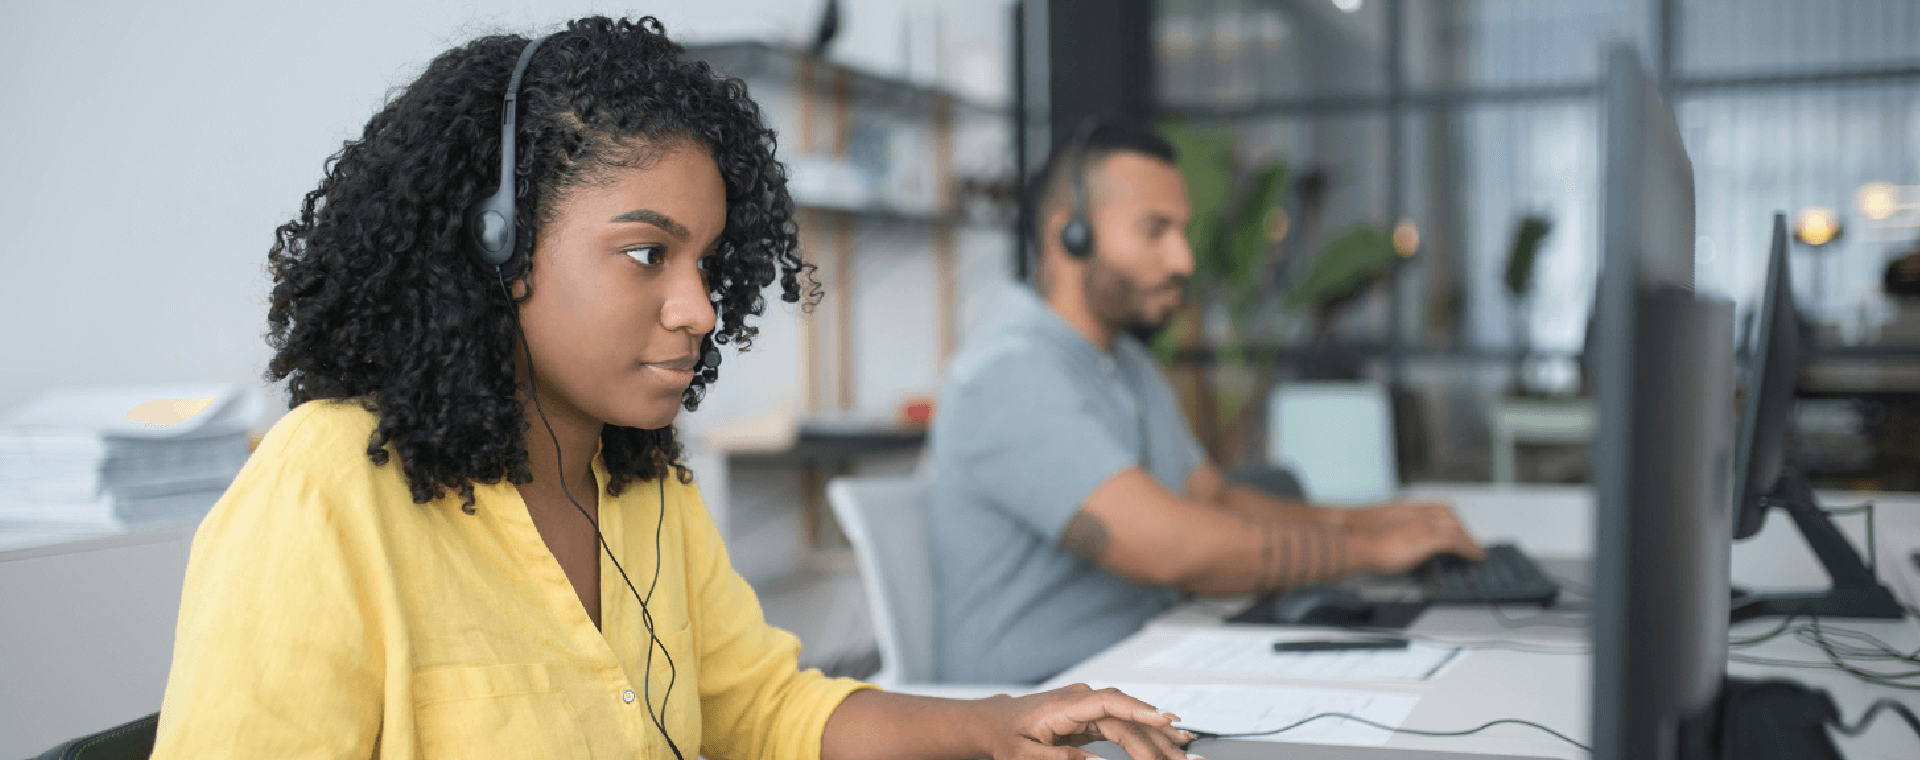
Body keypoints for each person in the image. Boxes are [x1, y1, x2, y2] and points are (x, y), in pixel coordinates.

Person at [150, 18, 1194, 760]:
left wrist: (994, 725)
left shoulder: (641, 479)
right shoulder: (326, 487)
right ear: (496, 245)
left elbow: (763, 711)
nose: (698, 308)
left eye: (706, 262)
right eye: (648, 254)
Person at [928, 116, 1484, 684]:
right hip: (1039, 706)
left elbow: (1213, 496)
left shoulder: (1128, 364)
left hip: (1147, 668)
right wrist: (1368, 552)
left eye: (1181, 232)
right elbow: (1172, 549)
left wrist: (1368, 521)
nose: (1183, 261)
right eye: (1155, 230)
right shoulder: (1007, 375)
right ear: (1069, 233)